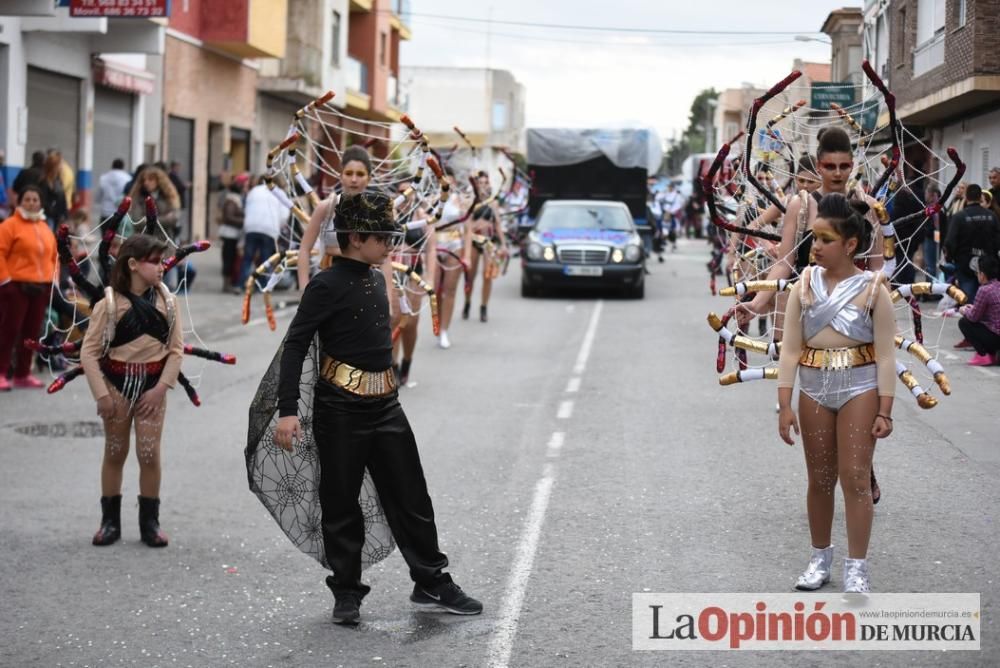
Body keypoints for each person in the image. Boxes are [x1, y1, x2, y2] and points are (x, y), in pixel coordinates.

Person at [265, 191, 482, 625]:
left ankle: (430, 581)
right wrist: (287, 409)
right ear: (357, 238)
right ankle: (346, 592)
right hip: (340, 411)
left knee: (411, 496)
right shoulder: (325, 285)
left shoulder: (376, 275)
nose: (390, 244)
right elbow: (295, 346)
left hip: (386, 406)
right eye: (382, 237)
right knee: (341, 502)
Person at [777, 193, 896, 594]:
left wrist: (886, 410)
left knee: (856, 478)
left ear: (850, 244)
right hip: (813, 390)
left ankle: (857, 567)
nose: (816, 247)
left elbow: (884, 356)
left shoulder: (874, 289)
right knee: (819, 479)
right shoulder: (803, 286)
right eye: (813, 239)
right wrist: (783, 404)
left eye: (825, 240)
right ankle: (819, 557)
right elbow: (790, 348)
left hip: (859, 388)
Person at [80, 234, 183, 548]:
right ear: (133, 264)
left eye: (163, 260)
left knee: (149, 454)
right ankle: (109, 522)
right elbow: (89, 352)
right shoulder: (109, 305)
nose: (163, 266)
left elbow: (176, 351)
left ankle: (149, 522)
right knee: (115, 452)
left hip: (153, 389)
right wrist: (102, 395)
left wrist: (161, 389)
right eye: (155, 261)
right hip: (116, 387)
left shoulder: (169, 302)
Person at [0, 186, 57, 391]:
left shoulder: (44, 227)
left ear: (40, 203)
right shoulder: (9, 226)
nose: (31, 203)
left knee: (31, 334)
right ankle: (2, 372)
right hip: (15, 286)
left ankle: (23, 374)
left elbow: (53, 257)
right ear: (19, 202)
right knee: (9, 330)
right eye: (27, 199)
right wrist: (5, 281)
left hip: (40, 287)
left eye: (35, 200)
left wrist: (52, 281)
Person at [296, 146, 373, 291]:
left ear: (369, 179)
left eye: (360, 174)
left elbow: (385, 258)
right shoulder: (326, 208)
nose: (354, 179)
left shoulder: (375, 211)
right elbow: (304, 249)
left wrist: (386, 298)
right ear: (341, 176)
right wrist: (304, 290)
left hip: (363, 288)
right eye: (349, 173)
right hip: (327, 285)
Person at [392, 191, 436, 385]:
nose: (406, 197)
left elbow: (431, 248)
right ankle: (392, 366)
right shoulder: (388, 213)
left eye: (409, 192)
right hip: (392, 273)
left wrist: (430, 279)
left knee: (410, 323)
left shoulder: (423, 218)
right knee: (393, 319)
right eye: (401, 192)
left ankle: (407, 362)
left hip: (414, 275)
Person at [434, 167, 473, 349]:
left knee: (449, 291)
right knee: (434, 291)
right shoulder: (430, 200)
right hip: (434, 246)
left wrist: (467, 256)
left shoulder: (460, 202)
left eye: (449, 182)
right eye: (442, 182)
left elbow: (468, 230)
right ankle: (438, 324)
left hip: (454, 244)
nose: (446, 185)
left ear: (454, 183)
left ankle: (444, 331)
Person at [944, 183, 1000, 306]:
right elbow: (997, 240)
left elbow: (950, 242)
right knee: (988, 301)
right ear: (980, 197)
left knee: (969, 302)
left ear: (966, 197)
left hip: (965, 265)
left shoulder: (959, 217)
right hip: (988, 264)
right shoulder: (992, 216)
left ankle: (972, 320)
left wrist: (950, 259)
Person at [464, 171, 507, 322]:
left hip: (488, 242)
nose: (483, 186)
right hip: (474, 241)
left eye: (485, 182)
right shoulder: (471, 202)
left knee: (487, 276)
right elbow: (467, 226)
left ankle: (483, 307)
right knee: (470, 276)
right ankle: (467, 302)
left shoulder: (493, 203)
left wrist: (503, 244)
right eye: (480, 183)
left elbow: (498, 225)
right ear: (476, 185)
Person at [241, 176, 290, 285]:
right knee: (265, 259)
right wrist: (279, 227)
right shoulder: (279, 193)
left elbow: (246, 207)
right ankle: (263, 285)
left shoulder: (254, 190)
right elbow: (284, 215)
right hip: (269, 229)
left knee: (248, 257)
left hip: (251, 227)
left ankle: (241, 284)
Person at [957, 255, 1000, 365]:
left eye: (978, 272)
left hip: (995, 337)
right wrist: (973, 308)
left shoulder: (984, 290)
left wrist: (964, 310)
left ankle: (983, 355)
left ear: (982, 275)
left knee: (964, 322)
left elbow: (974, 317)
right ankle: (993, 354)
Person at [128, 166, 181, 243]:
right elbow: (137, 221)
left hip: (165, 242)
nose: (146, 183)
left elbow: (173, 219)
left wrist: (148, 219)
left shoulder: (168, 197)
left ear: (159, 181)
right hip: (144, 242)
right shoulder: (138, 198)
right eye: (144, 180)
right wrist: (164, 219)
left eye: (150, 179)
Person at [217, 173, 248, 293]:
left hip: (233, 234)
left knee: (230, 258)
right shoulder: (232, 200)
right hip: (230, 234)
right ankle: (226, 284)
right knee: (228, 259)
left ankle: (228, 283)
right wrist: (243, 221)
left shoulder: (234, 200)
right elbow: (228, 217)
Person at [40, 152, 68, 232]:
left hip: (58, 218)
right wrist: (54, 212)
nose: (62, 166)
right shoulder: (45, 182)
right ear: (54, 166)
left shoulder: (58, 180)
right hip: (50, 218)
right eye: (60, 164)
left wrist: (65, 215)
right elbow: (44, 202)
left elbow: (62, 199)